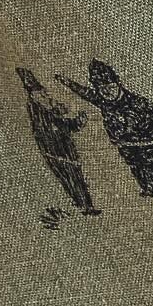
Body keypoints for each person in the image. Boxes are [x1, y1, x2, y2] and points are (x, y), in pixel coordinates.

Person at [56, 61, 153, 202]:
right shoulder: (103, 101)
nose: (107, 93)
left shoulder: (136, 102)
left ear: (118, 84)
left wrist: (134, 123)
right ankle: (152, 188)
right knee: (137, 167)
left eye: (111, 88)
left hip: (150, 143)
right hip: (126, 145)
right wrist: (69, 83)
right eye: (102, 90)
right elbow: (86, 93)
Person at [18, 68, 99, 216]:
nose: (46, 96)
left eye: (44, 93)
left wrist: (73, 119)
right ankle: (84, 206)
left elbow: (63, 124)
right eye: (42, 94)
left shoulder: (46, 110)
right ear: (33, 96)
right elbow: (60, 127)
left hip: (62, 150)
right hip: (57, 151)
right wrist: (75, 121)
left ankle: (83, 204)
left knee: (73, 178)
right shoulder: (40, 113)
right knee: (71, 177)